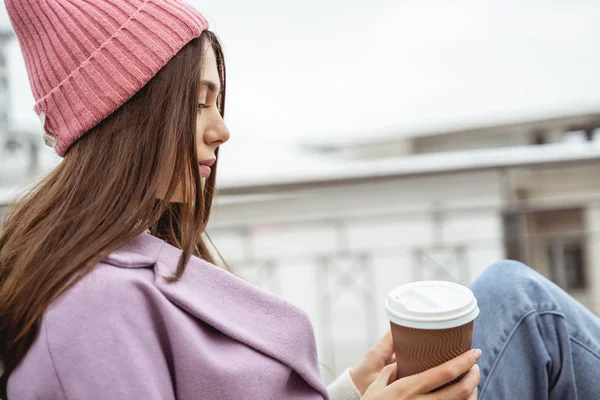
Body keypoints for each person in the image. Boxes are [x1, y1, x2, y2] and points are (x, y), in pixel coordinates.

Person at [1, 1, 599, 399]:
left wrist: (348, 389)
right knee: (523, 309)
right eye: (199, 101)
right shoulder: (90, 313)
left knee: (514, 300)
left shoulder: (116, 269)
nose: (220, 129)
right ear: (128, 114)